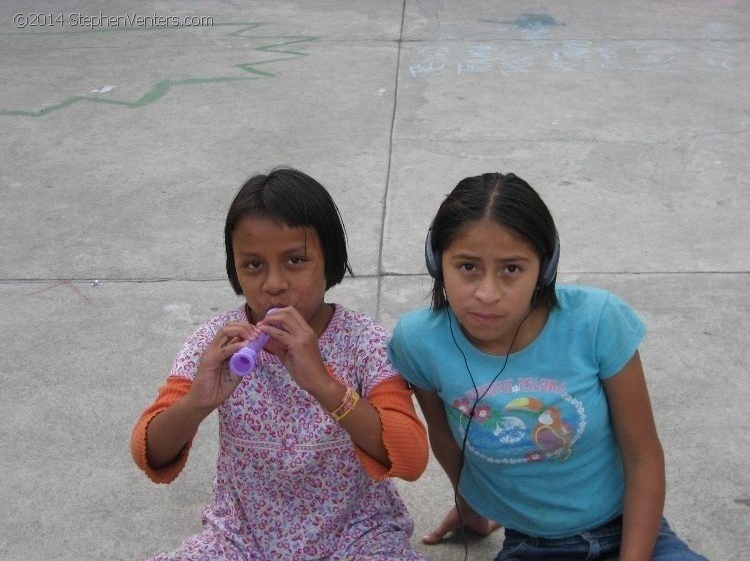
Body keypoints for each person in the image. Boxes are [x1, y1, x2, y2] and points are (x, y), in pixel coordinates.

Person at [387, 172, 708, 560]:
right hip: (530, 545)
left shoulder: (597, 322)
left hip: (632, 531)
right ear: (437, 262)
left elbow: (643, 455)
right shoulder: (419, 342)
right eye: (468, 266)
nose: (487, 294)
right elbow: (447, 441)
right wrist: (472, 509)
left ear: (545, 267)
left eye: (511, 269)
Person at [131, 167, 429, 560]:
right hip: (240, 537)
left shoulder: (365, 343)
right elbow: (148, 452)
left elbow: (410, 458)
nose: (273, 283)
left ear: (330, 261)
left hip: (357, 535)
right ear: (234, 268)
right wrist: (196, 403)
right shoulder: (217, 343)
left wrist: (324, 386)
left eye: (295, 260)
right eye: (253, 265)